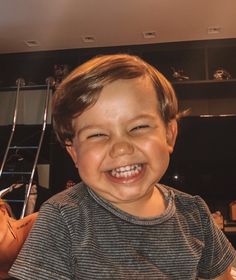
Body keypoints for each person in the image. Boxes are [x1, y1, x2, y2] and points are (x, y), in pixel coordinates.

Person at [9, 54, 236, 279]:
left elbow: (224, 275)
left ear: (169, 134)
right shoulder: (63, 218)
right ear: (74, 152)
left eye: (138, 127)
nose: (121, 148)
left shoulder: (194, 213)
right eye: (97, 134)